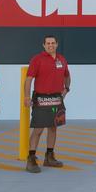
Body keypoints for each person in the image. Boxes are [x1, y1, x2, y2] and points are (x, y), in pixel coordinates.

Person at [24, 35, 71, 173]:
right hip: (41, 98)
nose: (50, 45)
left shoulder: (62, 59)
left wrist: (66, 89)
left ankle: (49, 157)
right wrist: (27, 96)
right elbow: (28, 80)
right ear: (44, 45)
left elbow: (67, 75)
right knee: (38, 130)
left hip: (56, 99)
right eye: (48, 43)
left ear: (56, 44)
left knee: (53, 127)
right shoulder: (37, 59)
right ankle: (31, 159)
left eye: (53, 43)